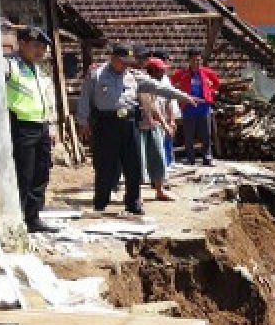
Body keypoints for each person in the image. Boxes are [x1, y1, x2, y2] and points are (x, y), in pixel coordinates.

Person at [76, 44, 198, 215]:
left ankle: (133, 202)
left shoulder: (134, 77)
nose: (126, 65)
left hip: (129, 123)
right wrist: (83, 121)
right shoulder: (96, 74)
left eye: (128, 62)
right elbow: (85, 97)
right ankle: (100, 202)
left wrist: (184, 96)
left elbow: (159, 87)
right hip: (106, 124)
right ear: (113, 58)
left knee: (133, 165)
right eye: (123, 61)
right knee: (105, 165)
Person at [5, 26, 58, 233]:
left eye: (43, 48)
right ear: (23, 44)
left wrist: (51, 125)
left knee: (41, 174)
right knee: (24, 175)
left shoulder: (40, 70)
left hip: (41, 126)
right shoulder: (11, 66)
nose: (40, 51)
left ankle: (33, 218)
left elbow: (49, 99)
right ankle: (19, 218)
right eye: (36, 46)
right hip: (22, 126)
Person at [171, 48, 220, 166]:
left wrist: (211, 92)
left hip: (204, 108)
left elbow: (217, 83)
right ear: (189, 61)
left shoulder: (207, 72)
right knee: (189, 135)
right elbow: (171, 83)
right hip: (188, 108)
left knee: (206, 134)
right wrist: (179, 94)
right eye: (194, 60)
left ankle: (207, 157)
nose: (196, 63)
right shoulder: (182, 73)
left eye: (199, 60)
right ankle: (190, 158)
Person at [138, 57, 174, 202]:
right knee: (139, 162)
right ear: (152, 71)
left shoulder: (154, 85)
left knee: (158, 158)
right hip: (139, 126)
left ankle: (159, 190)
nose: (163, 74)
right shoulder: (141, 83)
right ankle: (136, 194)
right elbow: (149, 106)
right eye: (160, 71)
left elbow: (156, 107)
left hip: (153, 126)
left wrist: (165, 124)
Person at [151, 49, 178, 169]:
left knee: (168, 139)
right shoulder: (148, 81)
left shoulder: (165, 79)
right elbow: (152, 105)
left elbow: (168, 100)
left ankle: (168, 162)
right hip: (154, 119)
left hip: (165, 114)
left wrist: (171, 119)